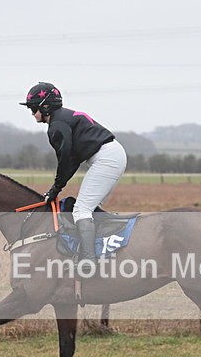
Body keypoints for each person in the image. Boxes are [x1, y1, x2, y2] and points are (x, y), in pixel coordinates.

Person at [19, 81, 127, 273]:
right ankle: (105, 250)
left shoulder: (56, 126)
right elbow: (72, 161)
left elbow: (67, 161)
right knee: (90, 209)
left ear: (45, 106)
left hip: (106, 158)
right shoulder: (62, 118)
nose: (31, 113)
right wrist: (57, 187)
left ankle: (88, 262)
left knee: (81, 211)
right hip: (111, 155)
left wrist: (54, 189)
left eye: (33, 108)